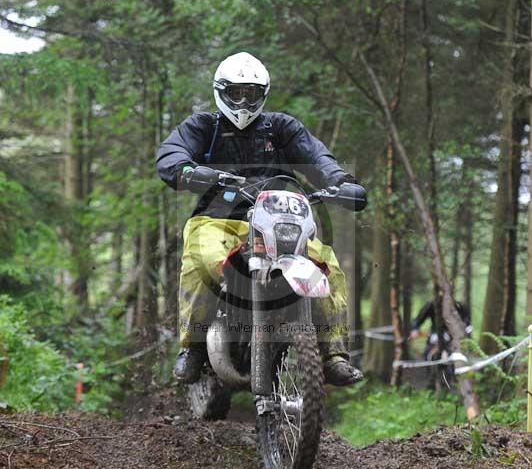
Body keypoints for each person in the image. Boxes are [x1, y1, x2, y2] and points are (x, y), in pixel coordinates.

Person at [156, 51, 364, 386]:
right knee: (202, 258)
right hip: (217, 221)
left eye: (250, 93)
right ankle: (192, 347)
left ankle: (333, 355)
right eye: (235, 93)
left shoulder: (281, 128)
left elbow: (316, 154)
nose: (242, 101)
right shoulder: (203, 127)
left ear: (262, 95)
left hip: (279, 218)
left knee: (328, 264)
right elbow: (172, 153)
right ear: (221, 92)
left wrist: (339, 181)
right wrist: (186, 170)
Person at [409, 294, 471, 360]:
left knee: (454, 352)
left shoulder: (457, 306)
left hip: (450, 335)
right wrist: (415, 329)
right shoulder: (432, 305)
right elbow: (418, 320)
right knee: (428, 351)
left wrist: (466, 328)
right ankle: (429, 363)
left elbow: (466, 320)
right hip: (434, 333)